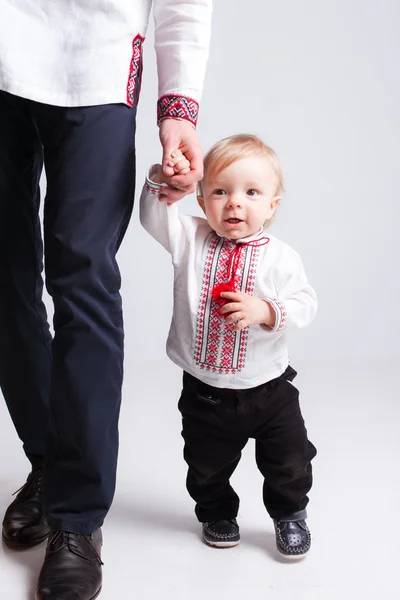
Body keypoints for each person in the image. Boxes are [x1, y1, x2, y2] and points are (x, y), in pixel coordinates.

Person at [0, 1, 212, 598]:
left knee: (82, 276)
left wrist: (178, 111)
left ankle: (77, 518)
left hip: (97, 63)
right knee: (5, 275)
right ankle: (49, 460)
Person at [140, 134, 318, 558]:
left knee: (290, 461)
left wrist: (267, 311)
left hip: (270, 389)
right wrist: (160, 178)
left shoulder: (281, 257)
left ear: (272, 205)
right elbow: (153, 217)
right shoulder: (190, 238)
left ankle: (290, 512)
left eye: (252, 192)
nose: (235, 203)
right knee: (205, 465)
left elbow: (305, 303)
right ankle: (216, 512)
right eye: (220, 191)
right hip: (207, 393)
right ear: (201, 201)